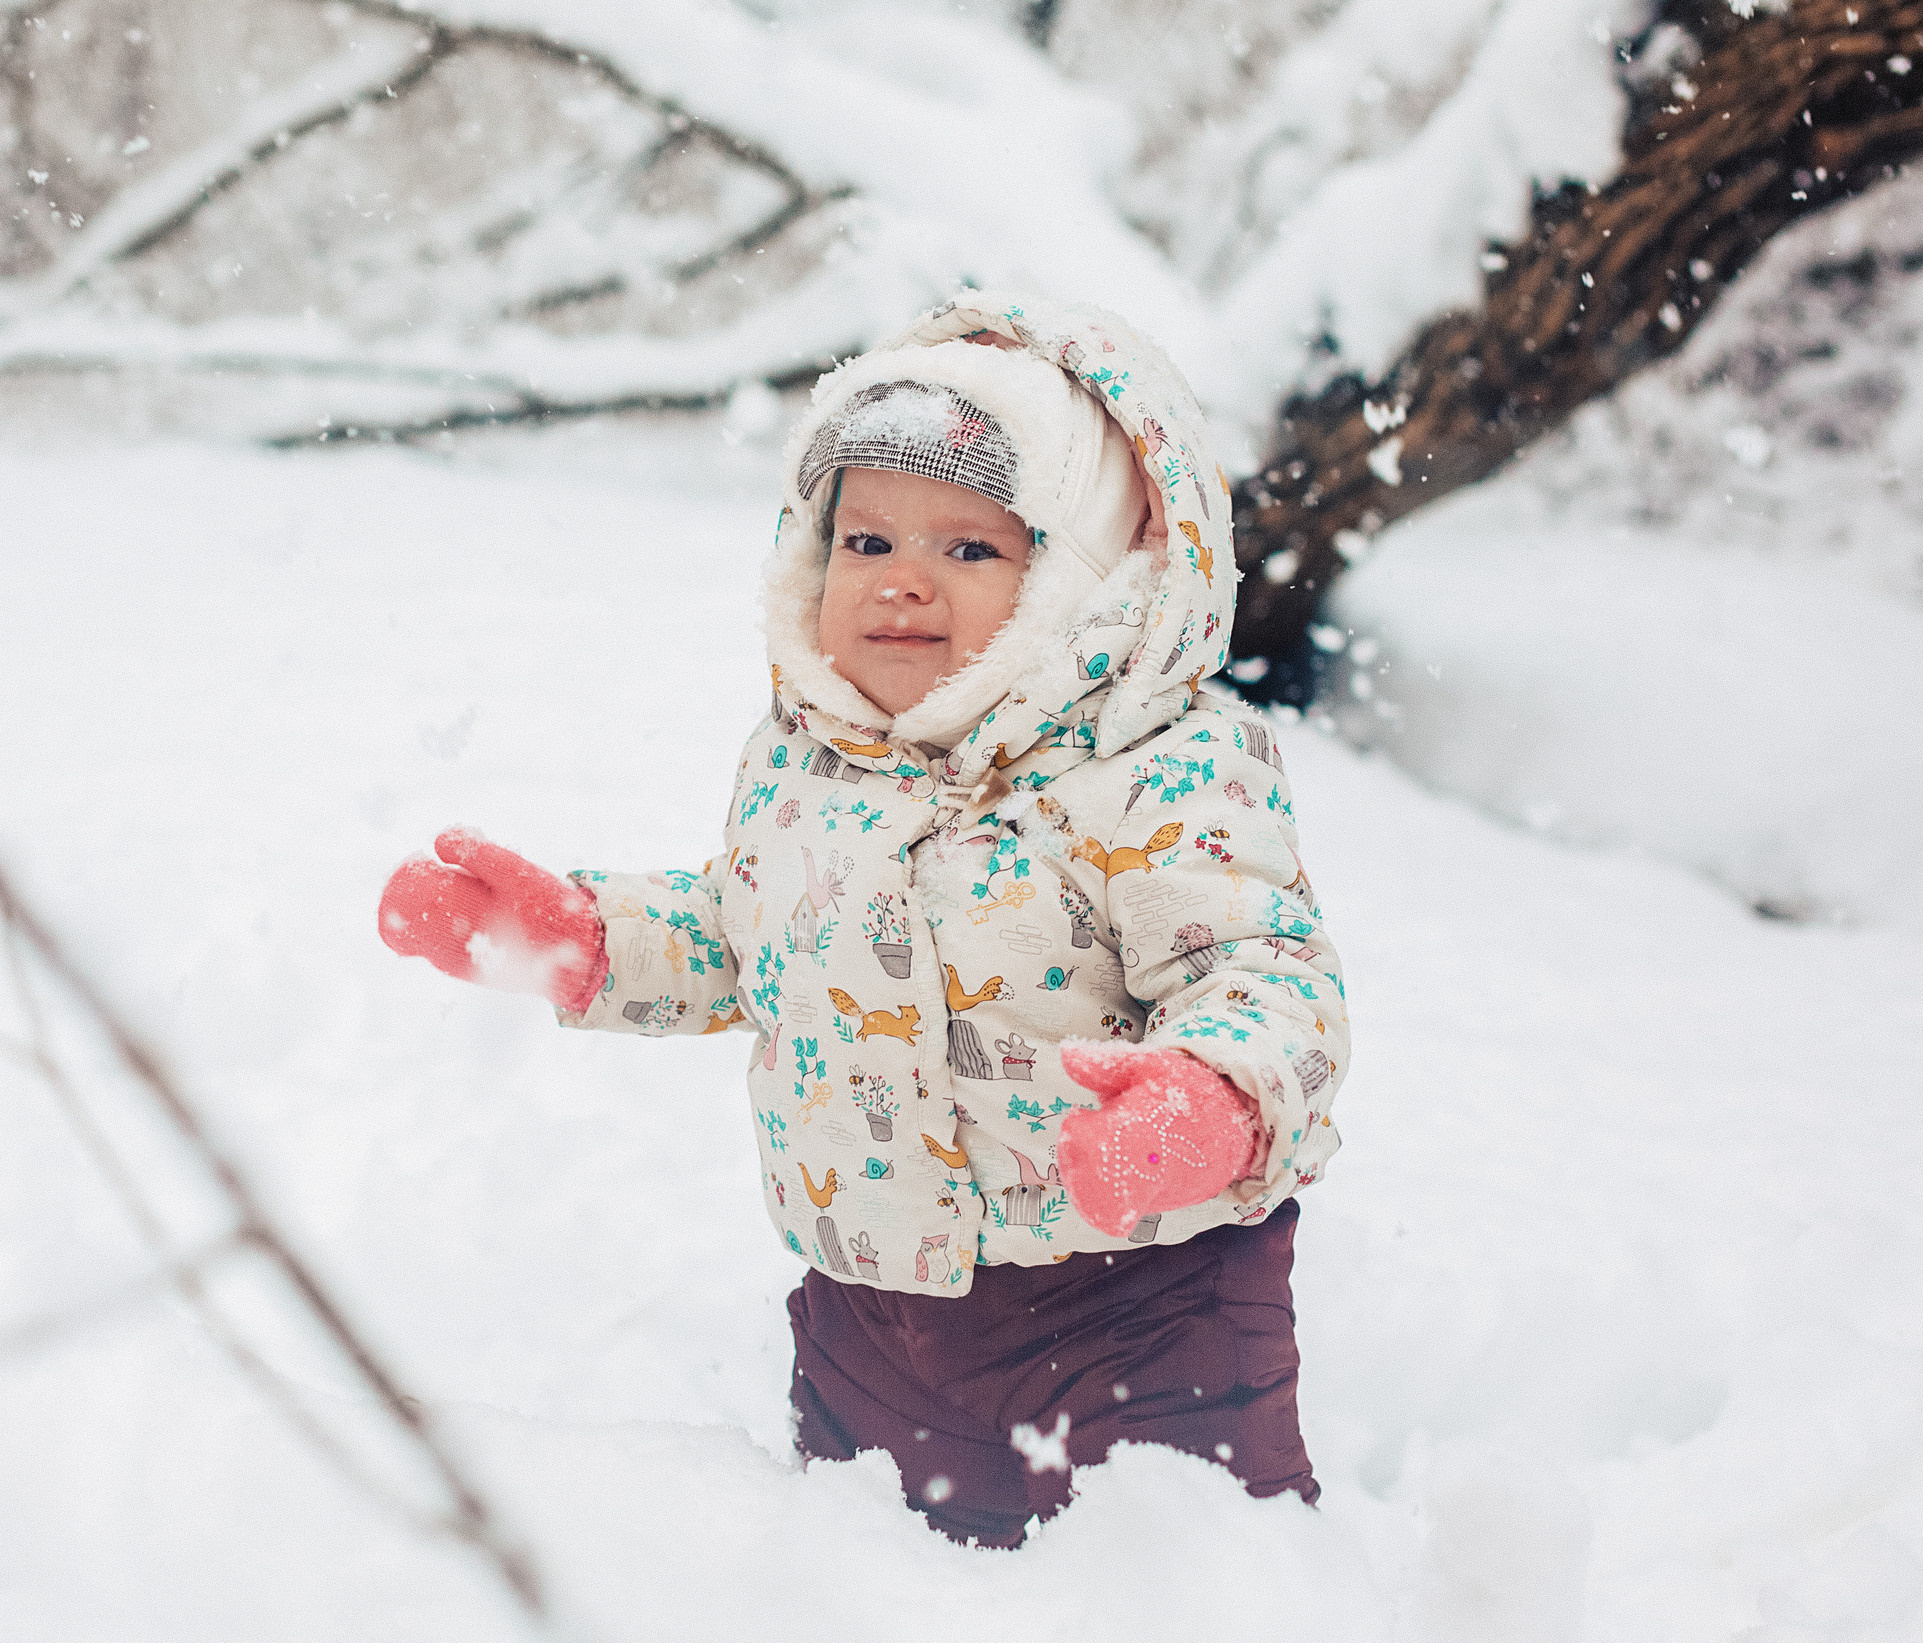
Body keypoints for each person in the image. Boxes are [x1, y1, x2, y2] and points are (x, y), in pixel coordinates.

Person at [378, 290, 1349, 1546]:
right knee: (871, 1579)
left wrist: (1209, 1099)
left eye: (971, 550)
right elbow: (746, 935)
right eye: (867, 541)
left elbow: (1265, 976)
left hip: (1142, 1307)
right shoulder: (809, 760)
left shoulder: (1158, 770)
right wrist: (584, 940)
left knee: (1183, 1586)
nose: (902, 583)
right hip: (870, 1314)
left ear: (1090, 579)